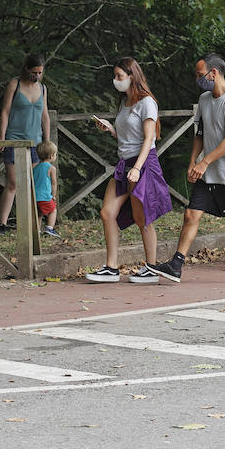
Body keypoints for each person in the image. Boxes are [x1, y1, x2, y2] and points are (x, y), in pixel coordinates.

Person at [151, 54, 225, 285]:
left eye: (200, 75)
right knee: (191, 214)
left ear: (214, 73)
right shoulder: (204, 100)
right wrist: (194, 161)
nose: (198, 79)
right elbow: (200, 134)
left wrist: (204, 163)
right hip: (208, 172)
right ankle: (176, 265)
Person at [86, 57, 173, 283]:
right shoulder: (124, 103)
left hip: (141, 162)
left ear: (132, 76)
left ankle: (152, 268)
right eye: (115, 76)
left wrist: (137, 167)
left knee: (141, 216)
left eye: (119, 76)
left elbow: (148, 138)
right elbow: (128, 137)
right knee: (107, 212)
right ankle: (111, 267)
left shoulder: (147, 103)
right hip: (124, 162)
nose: (115, 81)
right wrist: (112, 130)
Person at [0, 54, 51, 233]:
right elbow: (5, 111)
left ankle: (32, 224)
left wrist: (47, 142)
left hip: (36, 141)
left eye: (40, 72)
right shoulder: (15, 84)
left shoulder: (42, 88)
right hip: (14, 139)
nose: (37, 76)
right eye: (34, 72)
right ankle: (2, 224)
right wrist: (1, 138)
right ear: (27, 69)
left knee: (33, 184)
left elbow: (45, 115)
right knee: (13, 183)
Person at [34, 141, 61, 237]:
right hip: (45, 196)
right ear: (51, 156)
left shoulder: (35, 167)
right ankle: (49, 228)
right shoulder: (51, 168)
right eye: (55, 154)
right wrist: (53, 195)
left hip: (34, 197)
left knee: (39, 214)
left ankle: (37, 230)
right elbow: (53, 183)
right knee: (53, 210)